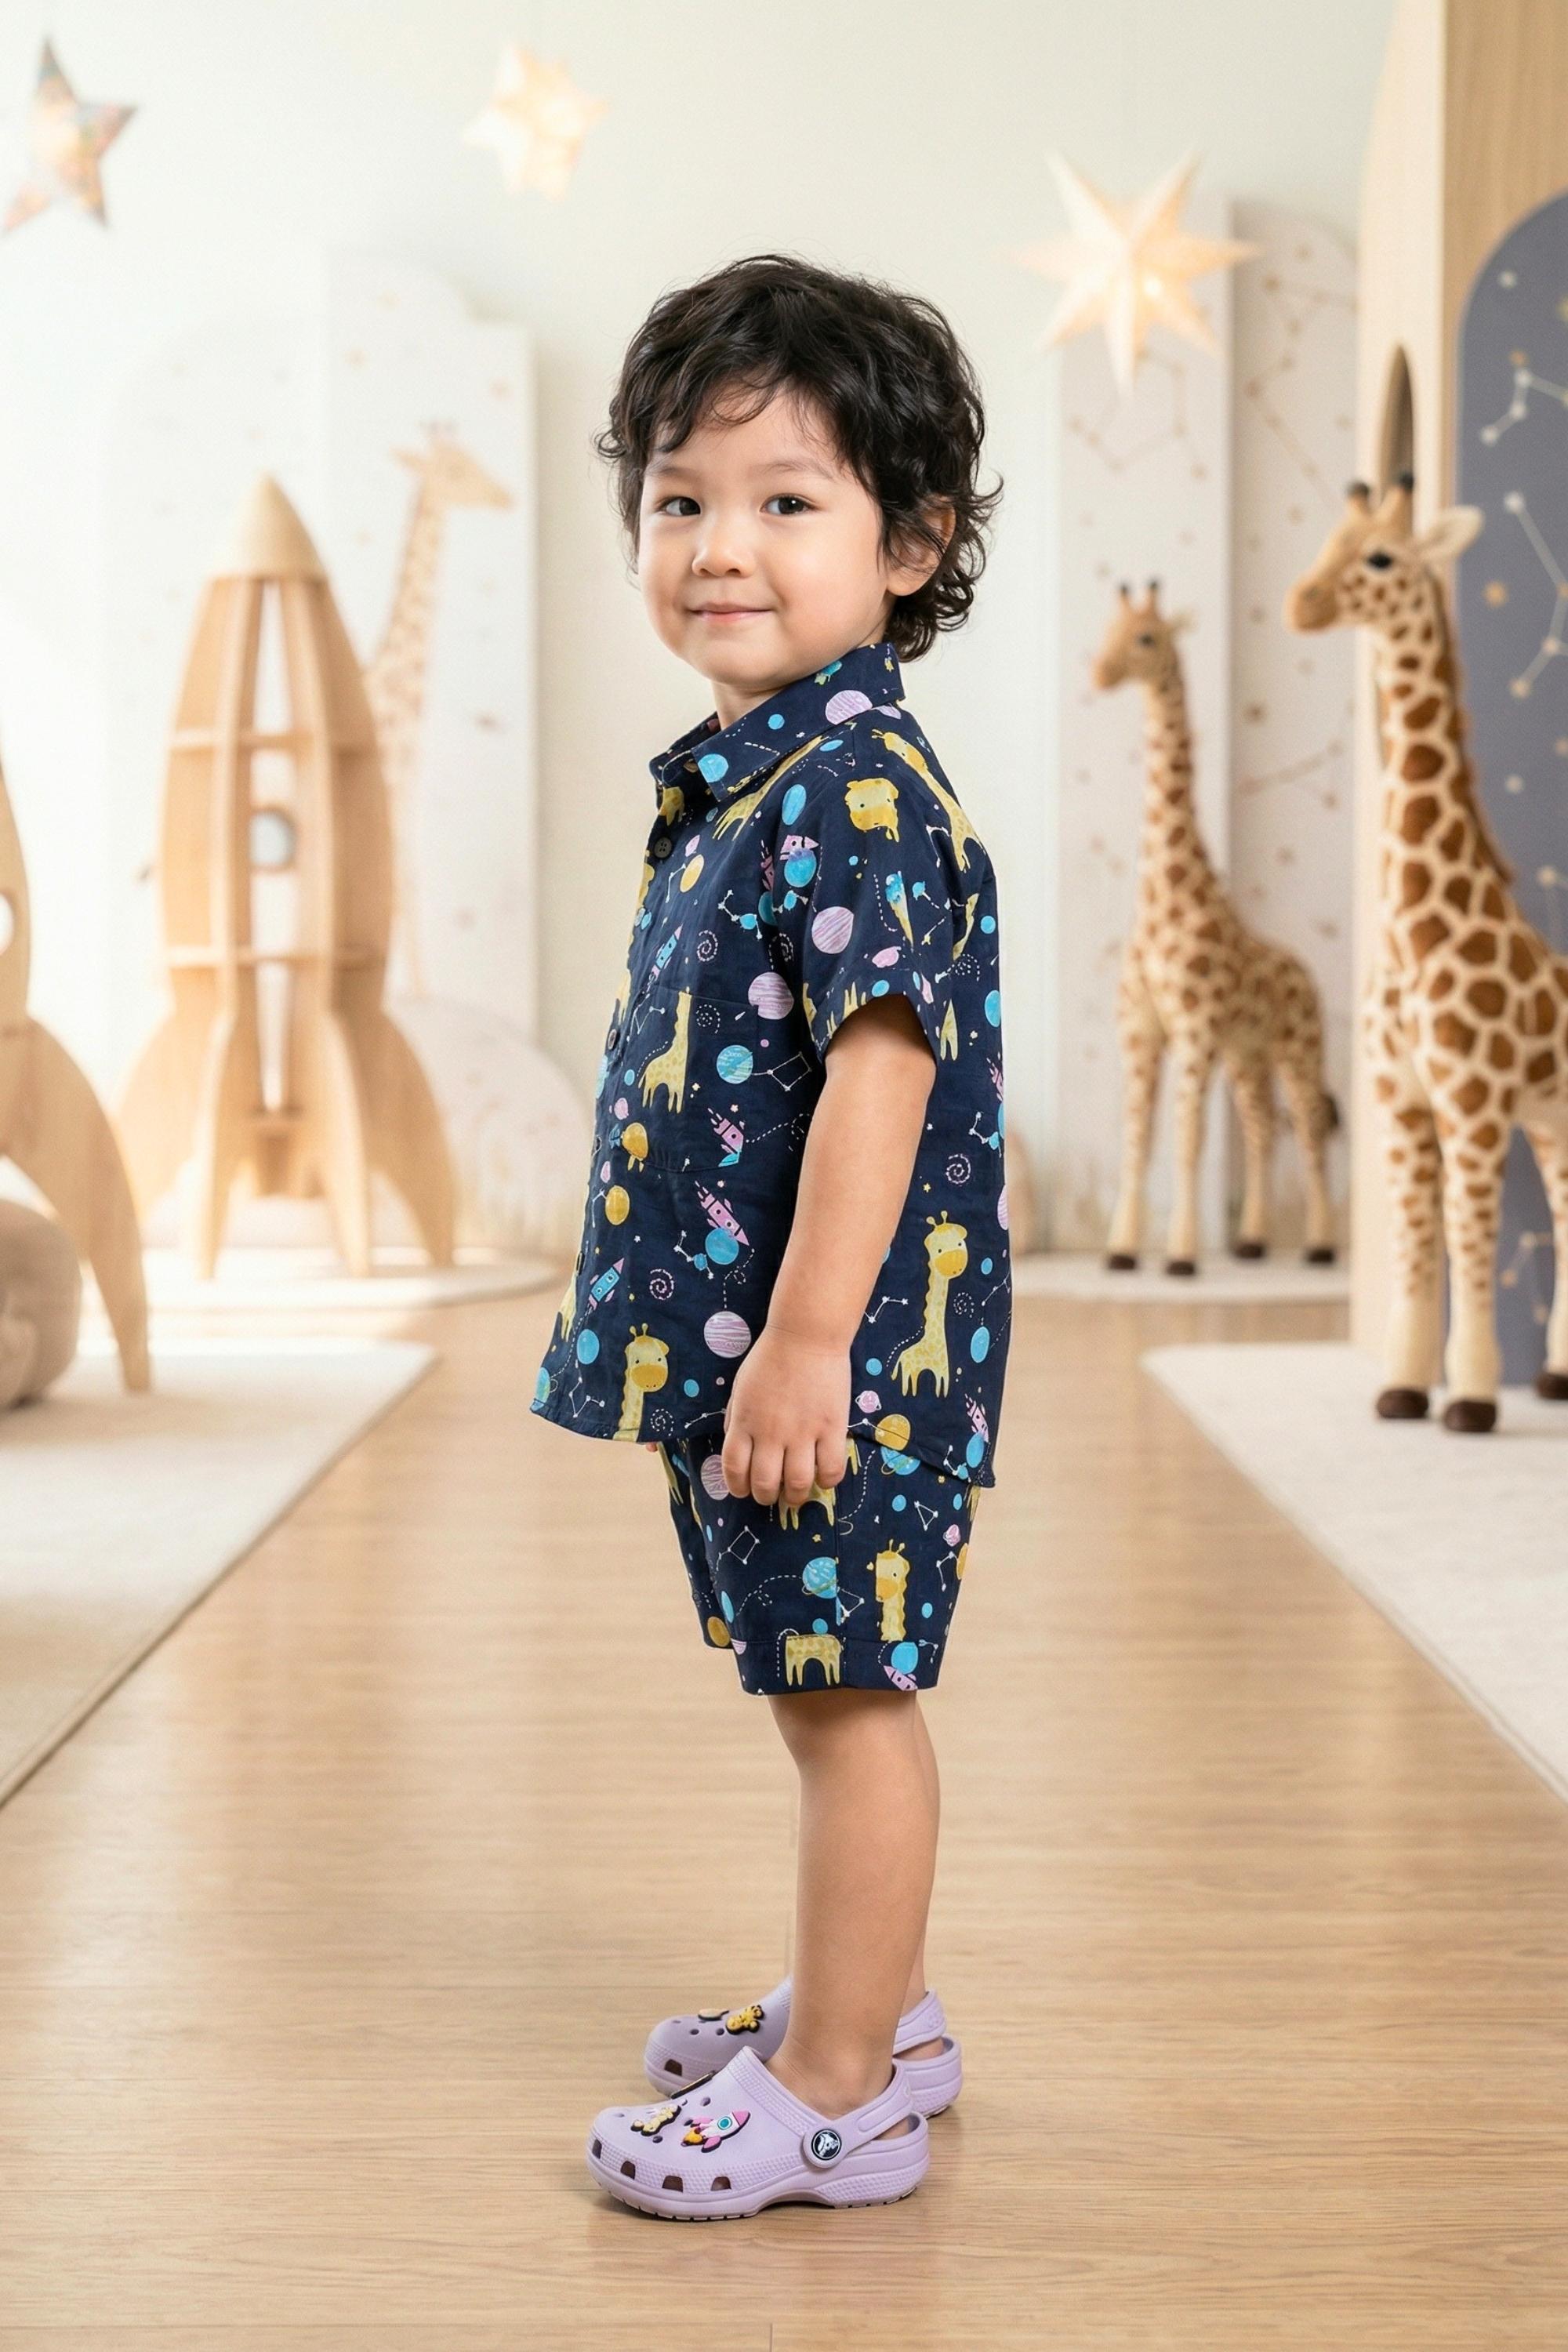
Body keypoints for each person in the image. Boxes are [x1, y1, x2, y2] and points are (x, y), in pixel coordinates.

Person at [532, 252, 1011, 2220]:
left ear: (909, 546)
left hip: (832, 1356)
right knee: (809, 1675)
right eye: (680, 497)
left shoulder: (854, 794)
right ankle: (867, 2006)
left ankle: (837, 2091)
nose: (720, 544)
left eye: (786, 500)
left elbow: (883, 1078)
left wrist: (810, 1339)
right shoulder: (761, 779)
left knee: (845, 1696)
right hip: (747, 1350)